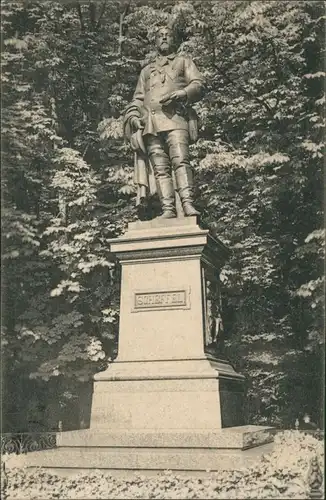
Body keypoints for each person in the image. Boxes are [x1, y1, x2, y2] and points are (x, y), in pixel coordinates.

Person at [123, 25, 205, 219]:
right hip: (151, 124)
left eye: (168, 35)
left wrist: (183, 93)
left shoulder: (184, 62)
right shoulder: (146, 71)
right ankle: (167, 209)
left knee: (181, 161)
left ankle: (187, 204)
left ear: (174, 40)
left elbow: (199, 84)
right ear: (156, 41)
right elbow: (137, 99)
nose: (164, 38)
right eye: (160, 36)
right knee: (160, 169)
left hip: (176, 119)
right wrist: (134, 116)